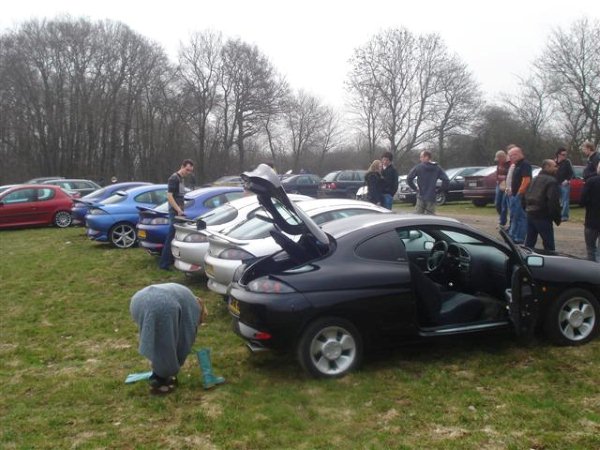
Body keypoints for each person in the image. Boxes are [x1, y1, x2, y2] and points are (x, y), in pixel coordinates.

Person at [130, 283, 224, 394]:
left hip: (138, 301)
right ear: (201, 312)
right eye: (200, 321)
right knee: (166, 346)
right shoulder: (193, 310)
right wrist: (175, 364)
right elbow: (184, 339)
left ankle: (159, 372)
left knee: (159, 340)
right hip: (162, 305)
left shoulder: (187, 296)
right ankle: (159, 381)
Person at [159, 159, 194, 270]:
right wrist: (178, 209)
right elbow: (169, 196)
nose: (188, 172)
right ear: (182, 166)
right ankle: (164, 264)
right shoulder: (174, 178)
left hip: (180, 212)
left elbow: (179, 195)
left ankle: (171, 261)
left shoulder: (181, 179)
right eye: (187, 170)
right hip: (175, 213)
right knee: (171, 238)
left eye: (190, 171)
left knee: (175, 237)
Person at [524, 159, 561, 252]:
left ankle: (525, 258)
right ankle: (550, 260)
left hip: (530, 213)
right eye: (555, 166)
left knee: (529, 243)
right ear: (547, 167)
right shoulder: (552, 181)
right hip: (543, 215)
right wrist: (557, 218)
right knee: (549, 245)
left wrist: (526, 209)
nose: (557, 168)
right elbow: (553, 201)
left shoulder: (534, 179)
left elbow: (524, 196)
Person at [407, 150, 449, 215]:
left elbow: (409, 179)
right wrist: (439, 191)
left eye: (421, 157)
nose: (420, 159)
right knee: (430, 218)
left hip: (421, 195)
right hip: (431, 196)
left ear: (426, 157)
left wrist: (415, 188)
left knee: (418, 217)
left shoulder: (418, 167)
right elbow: (446, 180)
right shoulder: (437, 168)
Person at [506, 146, 532, 244]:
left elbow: (526, 180)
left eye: (511, 156)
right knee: (514, 216)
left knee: (521, 217)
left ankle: (519, 238)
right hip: (514, 194)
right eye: (510, 156)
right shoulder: (516, 165)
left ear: (517, 154)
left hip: (521, 196)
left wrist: (519, 193)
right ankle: (512, 235)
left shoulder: (525, 164)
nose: (510, 158)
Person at [580, 162, 600, 262]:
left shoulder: (591, 181)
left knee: (590, 248)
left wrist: (586, 205)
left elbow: (582, 199)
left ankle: (591, 264)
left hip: (592, 218)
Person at [554, 147, 574, 222]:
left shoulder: (567, 162)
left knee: (565, 200)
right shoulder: (554, 162)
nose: (565, 156)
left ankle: (564, 216)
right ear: (558, 154)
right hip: (555, 184)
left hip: (564, 184)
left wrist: (567, 180)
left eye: (566, 154)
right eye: (563, 154)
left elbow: (571, 173)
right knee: (556, 200)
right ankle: (556, 215)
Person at [494, 150, 511, 229]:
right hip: (500, 184)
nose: (498, 161)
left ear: (503, 157)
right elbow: (497, 172)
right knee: (497, 203)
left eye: (499, 159)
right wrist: (498, 180)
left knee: (504, 204)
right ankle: (501, 217)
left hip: (506, 185)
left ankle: (502, 222)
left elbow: (510, 175)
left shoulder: (509, 164)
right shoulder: (499, 164)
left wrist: (506, 182)